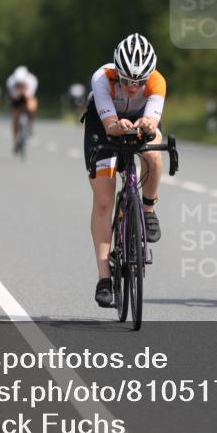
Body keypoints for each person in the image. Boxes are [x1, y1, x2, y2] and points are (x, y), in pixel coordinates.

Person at [82, 33, 166, 307]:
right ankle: (104, 277)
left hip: (138, 120)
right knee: (104, 202)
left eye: (139, 82)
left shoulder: (156, 81)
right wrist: (117, 127)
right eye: (128, 80)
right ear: (118, 72)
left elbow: (153, 121)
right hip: (103, 124)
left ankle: (148, 210)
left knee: (154, 152)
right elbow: (109, 125)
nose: (133, 87)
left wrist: (146, 125)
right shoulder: (102, 78)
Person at [6, 65, 39, 152]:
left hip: (27, 95)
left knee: (32, 106)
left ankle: (31, 123)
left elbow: (30, 96)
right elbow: (14, 97)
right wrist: (18, 94)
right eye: (18, 84)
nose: (20, 85)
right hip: (16, 98)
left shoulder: (32, 80)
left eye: (22, 84)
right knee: (15, 116)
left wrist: (24, 93)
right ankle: (15, 138)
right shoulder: (10, 82)